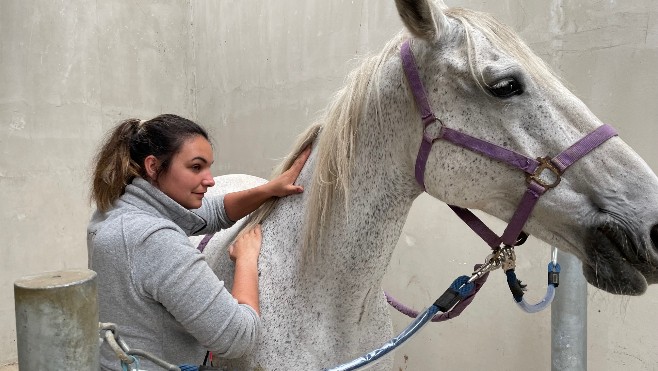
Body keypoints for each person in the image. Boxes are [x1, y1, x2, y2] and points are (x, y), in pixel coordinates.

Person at [87, 114, 310, 370]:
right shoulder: (154, 239)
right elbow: (239, 337)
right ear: (152, 166)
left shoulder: (113, 211)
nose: (210, 180)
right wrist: (246, 259)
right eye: (196, 167)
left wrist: (268, 189)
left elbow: (212, 213)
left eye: (208, 167)